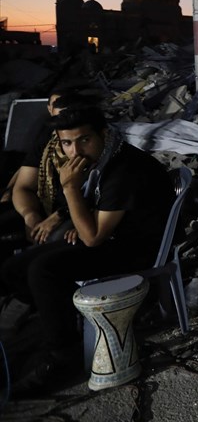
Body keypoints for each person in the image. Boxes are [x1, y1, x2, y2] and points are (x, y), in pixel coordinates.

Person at [0, 106, 175, 393]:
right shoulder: (101, 160)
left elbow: (93, 238)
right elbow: (94, 214)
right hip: (111, 235)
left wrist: (70, 189)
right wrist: (82, 218)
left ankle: (62, 356)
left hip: (135, 248)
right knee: (14, 268)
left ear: (103, 135)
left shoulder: (124, 168)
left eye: (84, 140)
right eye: (66, 143)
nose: (75, 150)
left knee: (44, 271)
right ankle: (58, 320)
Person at [1, 88, 87, 259]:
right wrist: (30, 215)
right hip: (42, 206)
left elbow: (93, 194)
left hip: (73, 213)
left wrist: (58, 216)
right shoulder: (49, 138)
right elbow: (24, 186)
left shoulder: (84, 146)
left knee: (46, 250)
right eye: (59, 118)